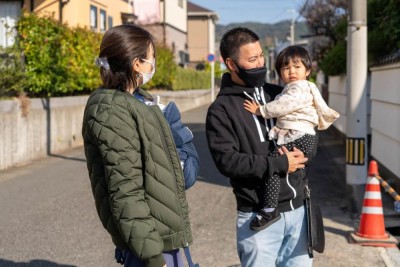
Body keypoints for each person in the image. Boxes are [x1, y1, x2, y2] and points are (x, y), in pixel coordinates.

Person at [82, 24, 193, 267]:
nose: (154, 64)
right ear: (136, 64)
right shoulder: (112, 110)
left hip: (159, 236)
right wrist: (154, 258)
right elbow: (125, 190)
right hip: (150, 245)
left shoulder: (138, 102)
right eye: (152, 57)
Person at [205, 27, 312, 267]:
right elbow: (228, 161)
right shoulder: (221, 110)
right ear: (232, 64)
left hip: (298, 212)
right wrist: (279, 164)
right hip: (257, 217)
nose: (261, 63)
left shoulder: (279, 94)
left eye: (262, 56)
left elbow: (307, 122)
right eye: (252, 59)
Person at [243, 45, 340, 231]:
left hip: (300, 134)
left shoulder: (299, 88)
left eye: (297, 67)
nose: (292, 71)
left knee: (274, 165)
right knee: (283, 168)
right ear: (280, 72)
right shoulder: (296, 87)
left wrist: (261, 110)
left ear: (308, 71)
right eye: (286, 68)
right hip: (303, 135)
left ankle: (270, 209)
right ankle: (275, 206)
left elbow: (283, 106)